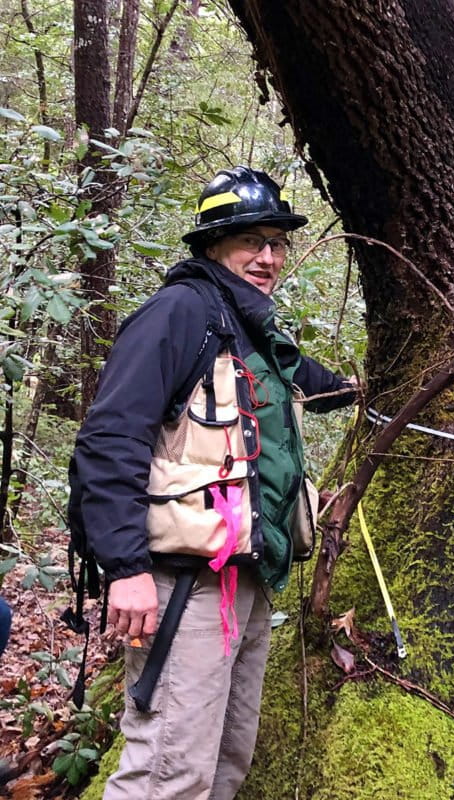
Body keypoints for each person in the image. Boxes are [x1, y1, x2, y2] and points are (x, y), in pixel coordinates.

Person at [71, 166, 357, 799]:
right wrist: (125, 569)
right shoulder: (179, 314)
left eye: (277, 242)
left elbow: (302, 378)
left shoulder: (249, 324)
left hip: (247, 580)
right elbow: (108, 439)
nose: (268, 256)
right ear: (211, 246)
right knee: (167, 772)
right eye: (250, 240)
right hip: (182, 586)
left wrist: (370, 389)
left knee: (226, 761)